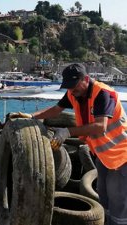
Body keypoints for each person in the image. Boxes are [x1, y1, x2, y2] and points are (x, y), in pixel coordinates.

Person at [10, 63, 127, 225]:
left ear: (86, 79)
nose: (72, 90)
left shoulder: (103, 94)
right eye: (69, 87)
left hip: (121, 156)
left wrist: (67, 132)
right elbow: (56, 110)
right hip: (104, 156)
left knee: (118, 200)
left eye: (74, 85)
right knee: (104, 195)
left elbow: (101, 127)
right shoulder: (74, 93)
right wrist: (31, 116)